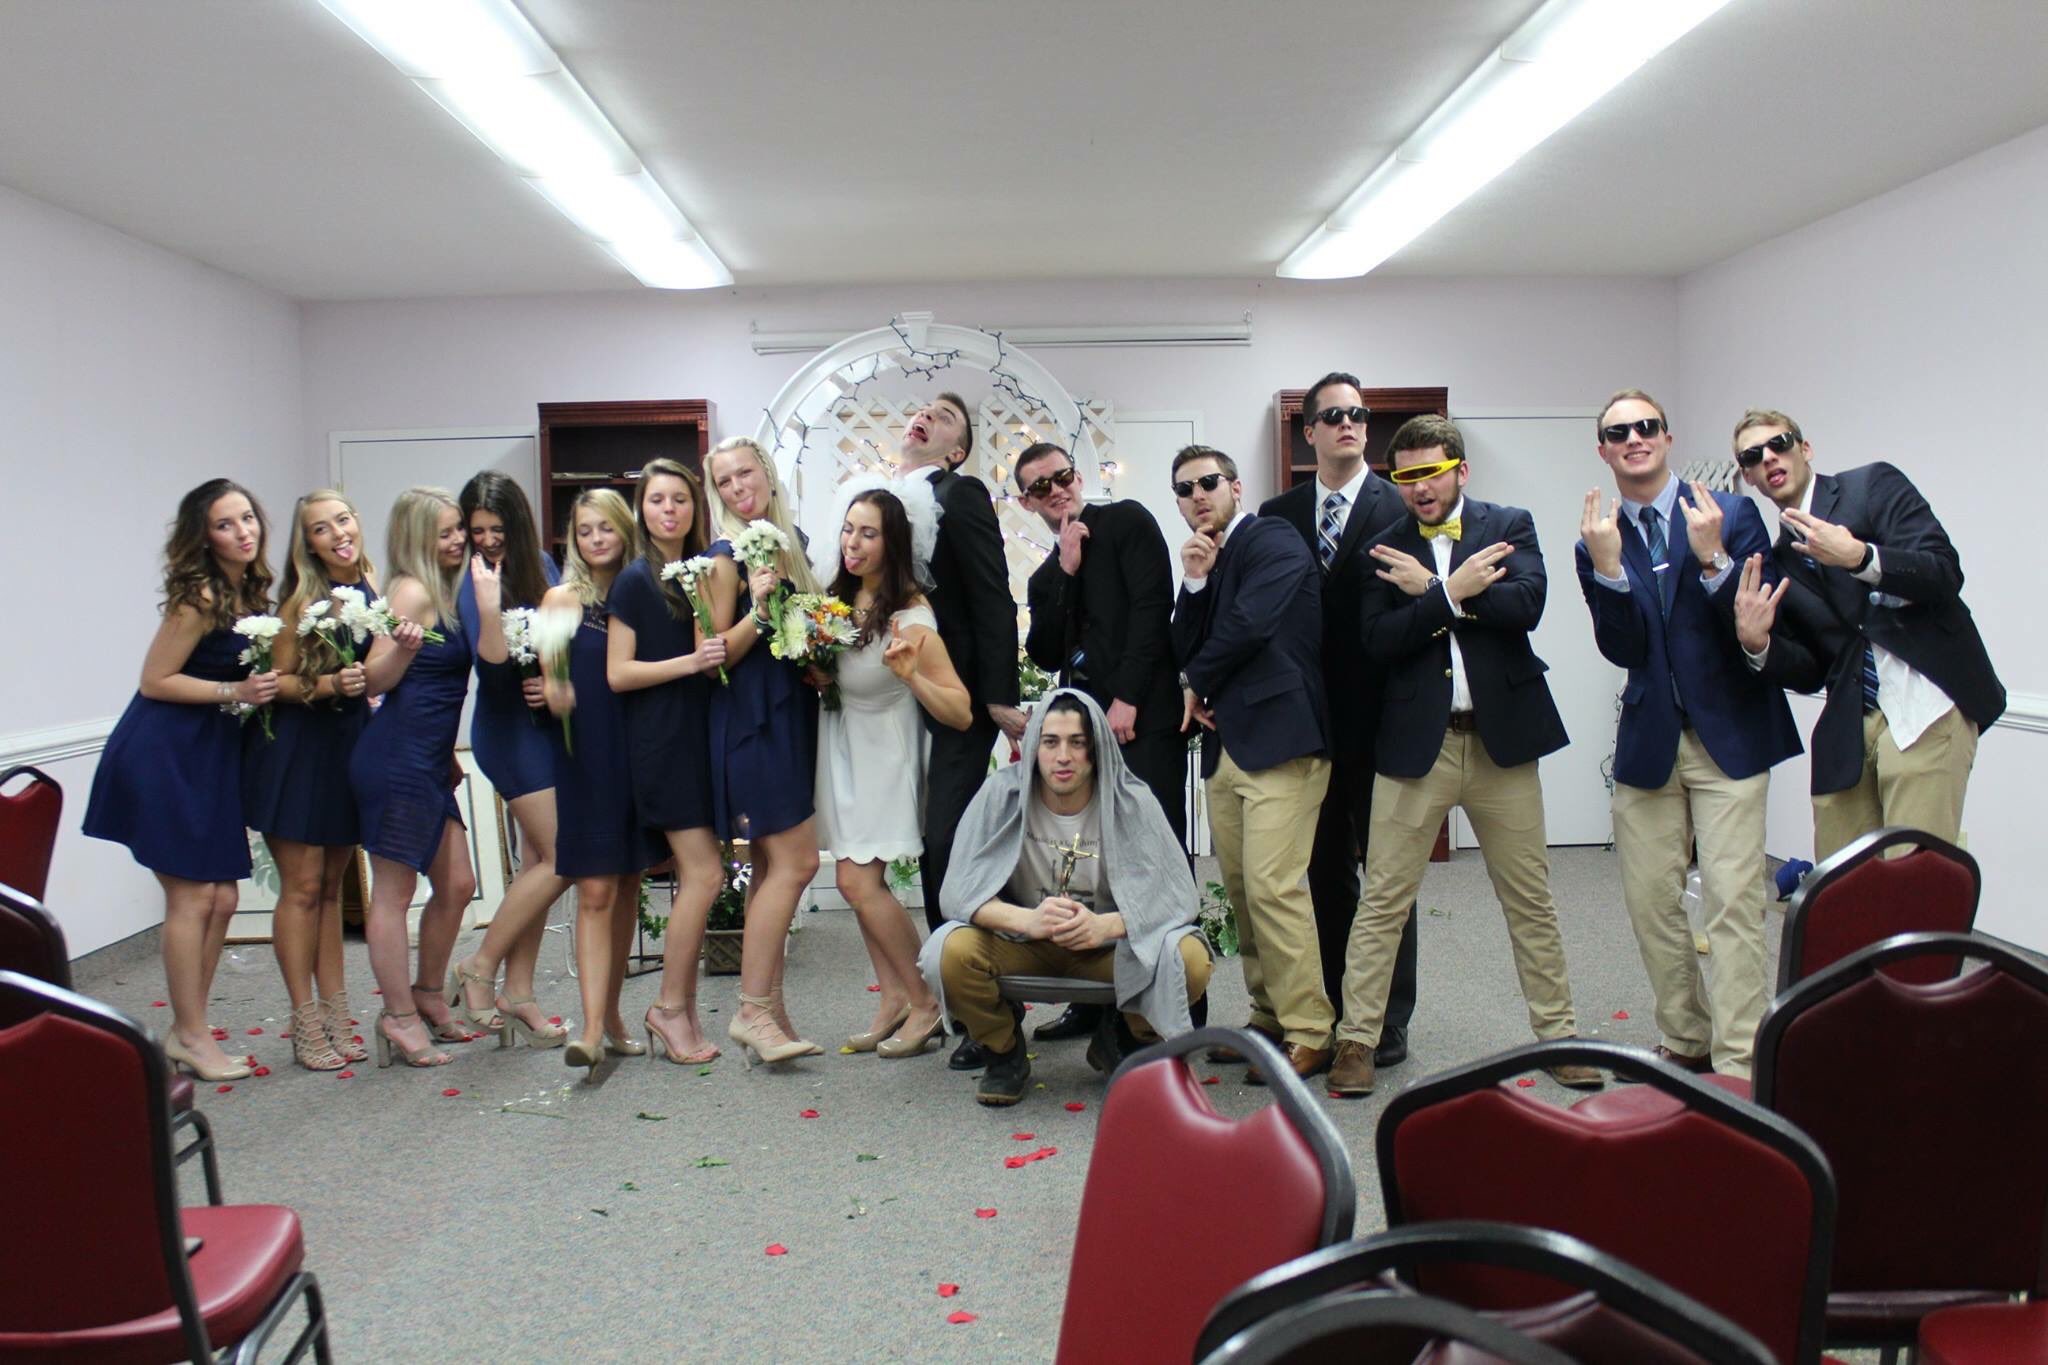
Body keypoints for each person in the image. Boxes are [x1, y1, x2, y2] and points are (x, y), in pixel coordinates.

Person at [1327, 418, 1601, 1096]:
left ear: (1461, 470)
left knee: (1530, 898)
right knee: (1383, 899)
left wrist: (1445, 595)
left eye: (1431, 472)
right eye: (1407, 476)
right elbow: (1378, 641)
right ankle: (1356, 1041)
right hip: (1416, 746)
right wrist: (1447, 591)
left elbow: (1526, 605)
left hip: (1502, 743)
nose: (1420, 488)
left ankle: (1559, 1035)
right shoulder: (1384, 547)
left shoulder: (1510, 523)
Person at [1575, 390, 1800, 1079]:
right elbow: (1622, 647)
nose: (1635, 438)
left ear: (1667, 438)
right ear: (1605, 449)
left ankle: (1739, 1059)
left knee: (1734, 901)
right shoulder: (1597, 535)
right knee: (1651, 901)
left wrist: (1713, 562)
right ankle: (1686, 1036)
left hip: (1728, 735)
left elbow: (1754, 628)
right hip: (1649, 740)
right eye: (1620, 431)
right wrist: (1608, 569)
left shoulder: (1730, 515)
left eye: (1647, 427)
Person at [1728, 410, 2004, 860]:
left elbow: (1943, 571)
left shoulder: (1871, 486)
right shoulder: (1780, 560)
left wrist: (1861, 556)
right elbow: (1814, 670)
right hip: (1849, 726)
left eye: (1779, 443)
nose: (1770, 458)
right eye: (1754, 456)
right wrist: (1759, 646)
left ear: (1805, 448)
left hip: (1926, 703)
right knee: (1841, 888)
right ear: (1749, 477)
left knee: (1915, 879)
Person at [924, 690, 1211, 1106]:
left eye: (1077, 743)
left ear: (1096, 750)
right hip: (1023, 943)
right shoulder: (998, 795)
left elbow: (1179, 898)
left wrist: (1105, 926)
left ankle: (1124, 1037)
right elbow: (957, 894)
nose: (1063, 756)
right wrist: (1027, 922)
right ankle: (1003, 1053)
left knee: (1189, 957)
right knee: (947, 950)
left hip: (1108, 949)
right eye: (1051, 741)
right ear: (1034, 744)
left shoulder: (1133, 800)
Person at [84, 478, 279, 1082]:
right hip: (164, 751)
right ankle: (191, 1035)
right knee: (192, 897)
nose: (243, 531)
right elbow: (155, 680)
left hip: (208, 754)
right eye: (226, 524)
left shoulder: (248, 591)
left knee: (220, 896)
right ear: (205, 536)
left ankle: (187, 1029)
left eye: (247, 518)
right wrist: (235, 690)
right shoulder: (198, 595)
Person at [1258, 372, 1420, 1068]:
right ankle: (1325, 1006)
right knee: (1320, 872)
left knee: (1388, 877)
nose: (1350, 423)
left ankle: (1385, 1017)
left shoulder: (1399, 506)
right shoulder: (1277, 511)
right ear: (1310, 430)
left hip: (1383, 719)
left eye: (1358, 413)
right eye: (1335, 415)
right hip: (1305, 724)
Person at [1168, 445, 1335, 1082]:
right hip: (1227, 748)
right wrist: (1195, 583)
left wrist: (1194, 680)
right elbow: (1183, 644)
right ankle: (1268, 1015)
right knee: (1242, 894)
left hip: (1283, 741)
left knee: (1274, 888)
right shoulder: (1207, 558)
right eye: (1184, 491)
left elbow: (1252, 624)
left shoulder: (1274, 538)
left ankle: (1311, 1029)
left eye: (1208, 483)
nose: (1198, 496)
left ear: (1235, 486)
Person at [1016, 440, 1184, 1044]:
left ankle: (1173, 1005)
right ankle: (1093, 1003)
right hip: (1083, 737)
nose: (1055, 489)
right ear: (1025, 500)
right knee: (1091, 870)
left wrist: (1129, 696)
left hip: (1142, 720)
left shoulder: (1128, 521)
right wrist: (1063, 569)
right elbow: (1041, 652)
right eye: (1039, 486)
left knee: (1155, 855)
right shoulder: (1045, 573)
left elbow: (1152, 608)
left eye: (1060, 476)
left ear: (1077, 476)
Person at [813, 483, 973, 1059]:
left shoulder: (912, 616)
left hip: (885, 756)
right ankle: (893, 999)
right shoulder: (836, 600)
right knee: (857, 888)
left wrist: (910, 675)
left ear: (894, 543)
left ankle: (926, 1001)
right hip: (843, 750)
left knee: (859, 882)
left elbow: (959, 709)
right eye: (849, 529)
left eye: (869, 533)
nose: (853, 543)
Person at [892, 392, 1024, 1071]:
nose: (925, 416)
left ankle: (982, 1008)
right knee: (918, 845)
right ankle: (934, 998)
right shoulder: (879, 498)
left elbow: (993, 592)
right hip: (890, 699)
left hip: (958, 699)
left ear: (956, 450)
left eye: (944, 417)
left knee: (949, 843)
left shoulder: (962, 492)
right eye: (920, 410)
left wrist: (998, 698)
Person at [347, 487, 483, 1068]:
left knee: (455, 883)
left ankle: (427, 992)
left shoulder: (449, 591)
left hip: (428, 760)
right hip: (396, 759)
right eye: (445, 533)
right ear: (417, 538)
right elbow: (374, 680)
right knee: (395, 892)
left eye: (459, 529)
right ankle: (397, 1015)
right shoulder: (409, 591)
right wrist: (400, 652)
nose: (458, 540)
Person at [241, 489, 376, 1070]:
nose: (338, 534)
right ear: (309, 545)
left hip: (347, 748)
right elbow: (277, 683)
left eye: (343, 519)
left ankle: (336, 1010)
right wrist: (329, 687)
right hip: (296, 752)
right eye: (322, 529)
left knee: (332, 888)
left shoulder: (370, 589)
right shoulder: (300, 603)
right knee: (301, 888)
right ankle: (303, 1020)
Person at [605, 457, 732, 1065]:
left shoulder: (704, 571)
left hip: (701, 737)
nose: (669, 510)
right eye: (657, 500)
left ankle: (674, 1005)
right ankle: (670, 1010)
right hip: (661, 741)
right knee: (704, 875)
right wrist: (691, 663)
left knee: (702, 876)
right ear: (642, 509)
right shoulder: (634, 579)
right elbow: (618, 673)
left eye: (679, 499)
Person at [703, 435, 825, 1063]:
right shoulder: (723, 558)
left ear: (767, 474)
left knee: (775, 870)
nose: (737, 487)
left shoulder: (789, 541)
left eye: (744, 473)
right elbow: (714, 654)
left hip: (789, 715)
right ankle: (751, 1010)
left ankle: (770, 1010)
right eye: (724, 481)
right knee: (797, 864)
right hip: (751, 724)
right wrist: (757, 606)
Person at [538, 490, 666, 1076]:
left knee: (627, 888)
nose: (595, 539)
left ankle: (611, 1015)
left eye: (604, 528)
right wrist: (556, 690)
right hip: (586, 756)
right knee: (594, 891)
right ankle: (590, 1029)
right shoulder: (561, 600)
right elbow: (552, 679)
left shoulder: (642, 591)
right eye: (583, 530)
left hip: (638, 753)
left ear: (623, 530)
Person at [447, 471, 569, 1050]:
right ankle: (480, 963)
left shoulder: (542, 566)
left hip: (544, 724)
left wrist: (552, 684)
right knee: (563, 855)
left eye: (497, 529)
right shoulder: (471, 579)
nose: (488, 541)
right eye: (478, 531)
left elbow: (560, 643)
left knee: (535, 865)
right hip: (504, 730)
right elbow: (492, 666)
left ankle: (519, 992)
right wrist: (491, 605)